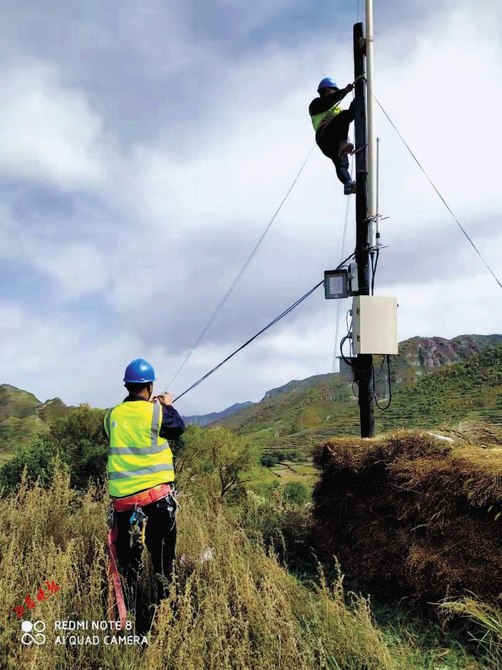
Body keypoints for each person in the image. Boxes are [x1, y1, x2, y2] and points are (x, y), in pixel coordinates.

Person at [104, 358, 185, 623]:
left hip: (127, 509)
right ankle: (167, 619)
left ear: (127, 386)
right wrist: (167, 404)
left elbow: (123, 433)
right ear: (150, 387)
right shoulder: (157, 412)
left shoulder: (111, 416)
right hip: (156, 505)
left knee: (130, 565)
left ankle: (131, 620)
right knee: (162, 562)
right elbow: (177, 428)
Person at [309, 77, 357, 195]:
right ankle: (342, 145)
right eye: (333, 90)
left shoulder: (335, 108)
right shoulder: (316, 104)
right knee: (344, 115)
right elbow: (329, 101)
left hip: (333, 141)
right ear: (326, 90)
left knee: (341, 164)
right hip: (325, 135)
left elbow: (348, 116)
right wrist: (344, 91)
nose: (335, 93)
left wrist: (357, 102)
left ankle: (348, 184)